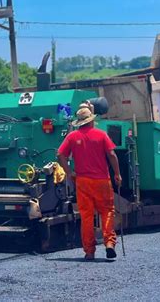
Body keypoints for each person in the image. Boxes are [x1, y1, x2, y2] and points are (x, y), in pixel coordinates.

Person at [57, 106, 122, 261]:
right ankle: (109, 243)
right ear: (91, 121)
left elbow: (60, 155)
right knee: (107, 212)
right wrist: (117, 174)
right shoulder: (101, 135)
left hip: (82, 182)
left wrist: (69, 172)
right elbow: (112, 154)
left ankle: (89, 252)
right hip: (102, 181)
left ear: (79, 123)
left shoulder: (72, 137)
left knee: (86, 216)